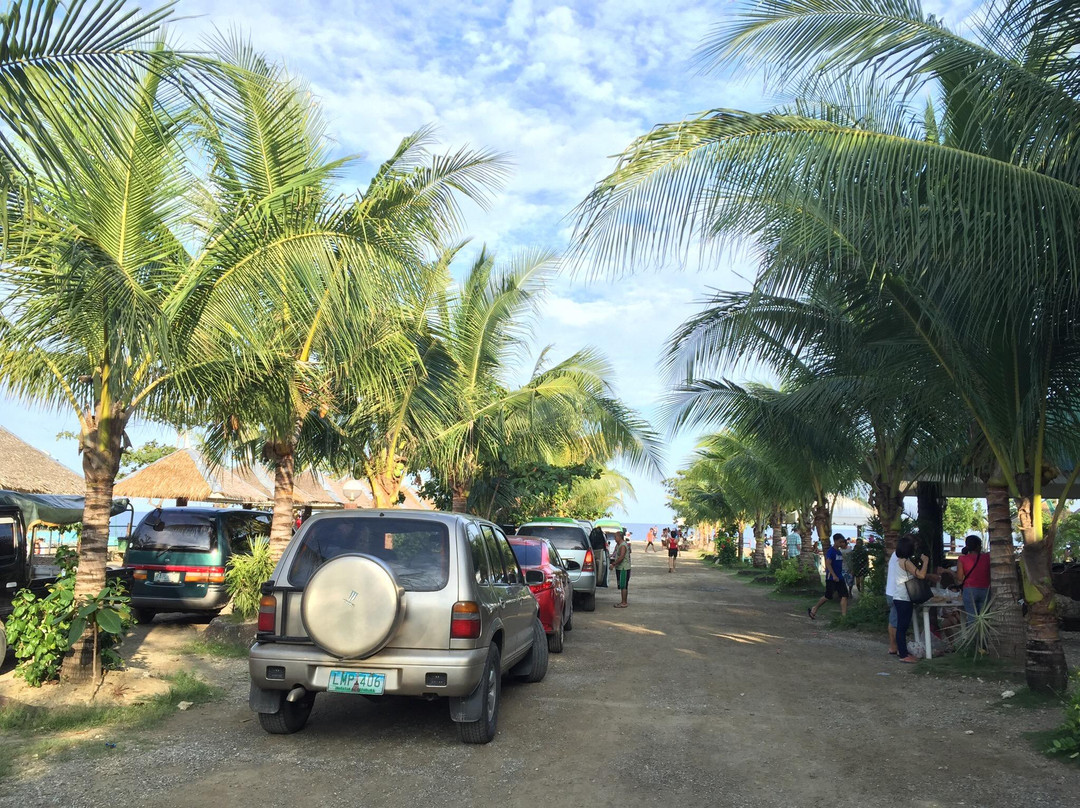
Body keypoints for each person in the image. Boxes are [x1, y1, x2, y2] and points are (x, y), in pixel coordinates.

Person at [889, 534, 931, 663]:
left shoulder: (898, 561)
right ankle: (903, 654)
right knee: (902, 627)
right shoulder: (906, 562)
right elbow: (921, 575)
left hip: (898, 596)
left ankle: (903, 652)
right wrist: (925, 562)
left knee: (901, 626)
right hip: (904, 597)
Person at [809, 534, 849, 619]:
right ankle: (815, 608)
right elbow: (828, 563)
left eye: (842, 542)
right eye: (840, 542)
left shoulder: (839, 552)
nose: (842, 544)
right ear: (835, 541)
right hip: (831, 577)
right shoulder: (831, 551)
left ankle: (844, 616)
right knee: (828, 596)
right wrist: (833, 575)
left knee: (844, 595)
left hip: (840, 577)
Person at [956, 535, 991, 624]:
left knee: (972, 619)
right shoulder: (987, 557)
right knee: (984, 619)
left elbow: (960, 578)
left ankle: (973, 637)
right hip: (985, 590)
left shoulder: (962, 559)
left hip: (969, 590)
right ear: (979, 546)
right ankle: (984, 638)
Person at [610, 530, 631, 608]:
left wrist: (613, 564)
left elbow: (621, 557)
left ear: (619, 537)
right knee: (622, 585)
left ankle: (624, 602)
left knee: (623, 586)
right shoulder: (619, 545)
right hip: (620, 568)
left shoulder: (622, 545)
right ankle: (623, 601)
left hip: (623, 568)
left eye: (615, 537)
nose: (614, 538)